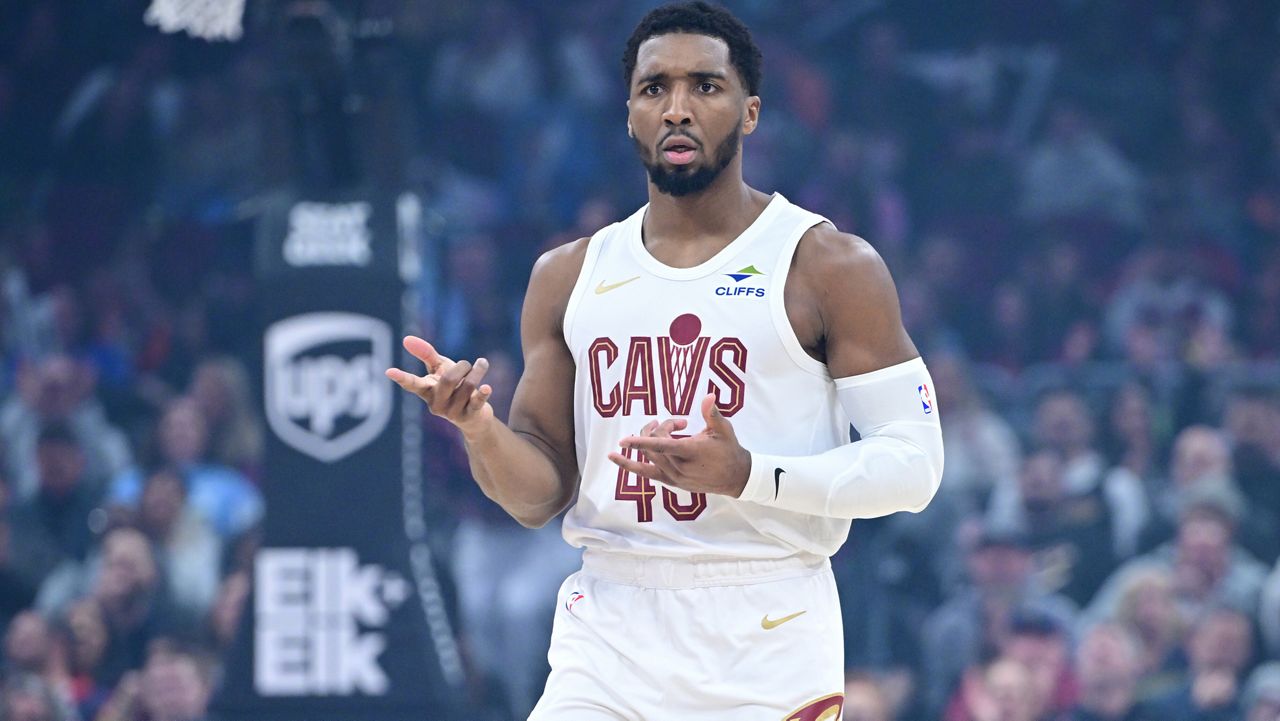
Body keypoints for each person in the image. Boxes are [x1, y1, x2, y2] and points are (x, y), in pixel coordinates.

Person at [386, 2, 945, 718]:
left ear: (749, 112)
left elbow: (915, 465)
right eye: (655, 88)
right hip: (610, 619)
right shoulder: (566, 274)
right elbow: (536, 496)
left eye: (705, 87)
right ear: (628, 113)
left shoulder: (827, 263)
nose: (677, 107)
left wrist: (748, 473)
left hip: (767, 618)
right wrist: (479, 429)